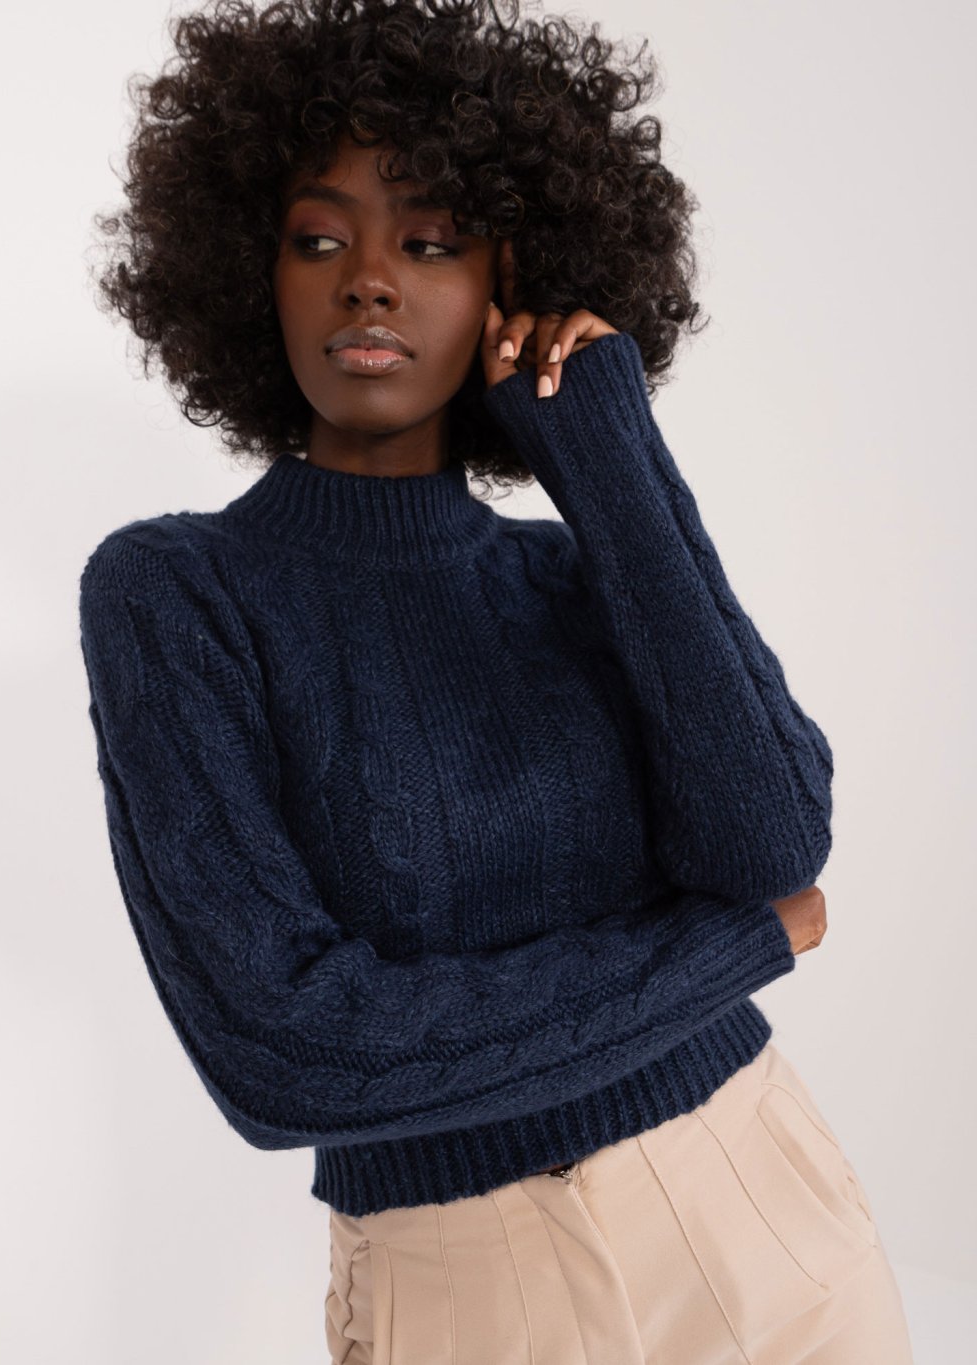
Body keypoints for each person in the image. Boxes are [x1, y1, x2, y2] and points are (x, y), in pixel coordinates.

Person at [79, 0, 915, 1359]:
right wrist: (730, 949)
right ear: (248, 268)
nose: (370, 280)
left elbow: (770, 836)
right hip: (464, 1287)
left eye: (431, 242)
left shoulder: (575, 570)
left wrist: (608, 451)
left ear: (504, 283)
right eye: (319, 238)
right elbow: (285, 1050)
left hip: (767, 1223)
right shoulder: (175, 593)